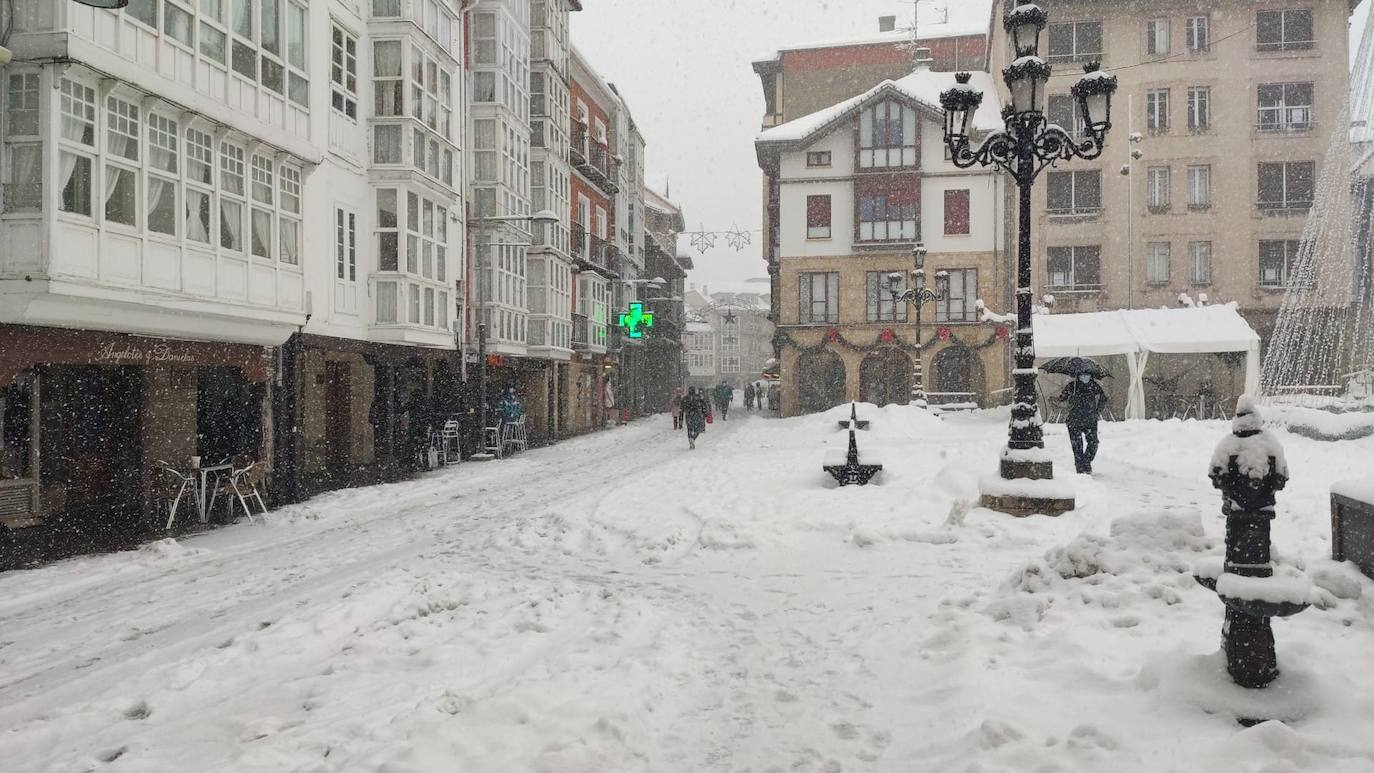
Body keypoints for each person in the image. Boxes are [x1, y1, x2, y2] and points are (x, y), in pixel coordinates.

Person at [1060, 373, 1107, 474]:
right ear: (1078, 375)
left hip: (1090, 419)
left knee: (1093, 442)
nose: (1084, 377)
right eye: (1082, 375)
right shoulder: (1072, 386)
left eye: (1087, 375)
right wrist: (1069, 398)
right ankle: (1080, 467)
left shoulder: (1094, 386)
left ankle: (1085, 462)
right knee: (1077, 445)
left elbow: (1103, 399)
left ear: (1091, 375)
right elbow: (1062, 398)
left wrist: (1097, 411)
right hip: (1074, 419)